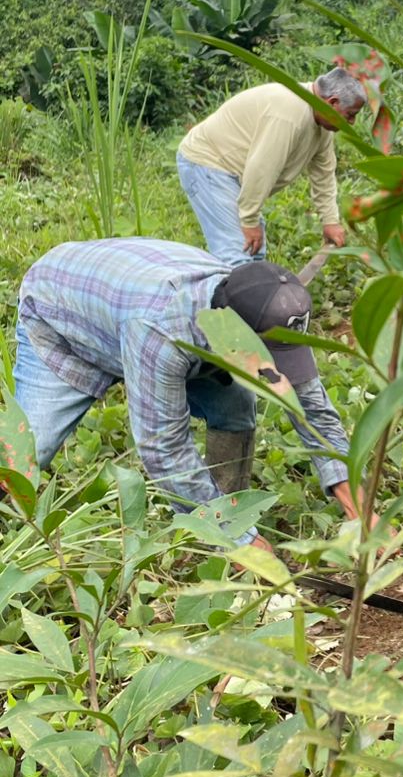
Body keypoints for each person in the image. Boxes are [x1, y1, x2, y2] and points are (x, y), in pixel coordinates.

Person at [12, 238, 360, 550]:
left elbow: (311, 407)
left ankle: (226, 511)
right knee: (24, 455)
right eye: (265, 359)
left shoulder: (260, 307)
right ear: (233, 336)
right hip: (59, 313)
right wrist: (235, 539)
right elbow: (164, 447)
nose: (273, 369)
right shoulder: (162, 329)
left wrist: (355, 498)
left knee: (237, 406)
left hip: (125, 305)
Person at [176, 67, 367, 267]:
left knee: (254, 253)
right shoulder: (289, 114)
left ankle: (250, 284)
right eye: (350, 115)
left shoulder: (322, 123)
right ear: (332, 103)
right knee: (238, 255)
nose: (352, 122)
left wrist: (330, 221)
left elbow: (324, 175)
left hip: (238, 174)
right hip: (209, 164)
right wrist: (249, 220)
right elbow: (262, 168)